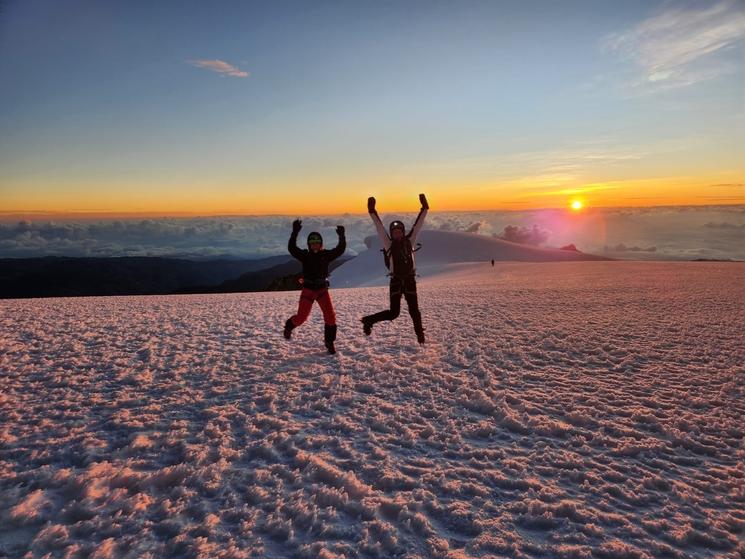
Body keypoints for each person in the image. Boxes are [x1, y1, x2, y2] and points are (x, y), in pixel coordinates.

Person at [361, 194, 428, 344]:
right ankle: (368, 321)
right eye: (394, 232)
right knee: (393, 313)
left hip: (410, 280)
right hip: (396, 281)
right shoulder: (388, 244)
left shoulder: (410, 241)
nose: (397, 234)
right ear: (391, 234)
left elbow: (418, 226)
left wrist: (425, 208)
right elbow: (379, 228)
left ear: (403, 232)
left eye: (399, 232)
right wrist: (372, 211)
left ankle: (420, 336)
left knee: (414, 311)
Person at [283, 220, 346, 354]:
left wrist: (342, 236)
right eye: (312, 243)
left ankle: (329, 342)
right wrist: (294, 233)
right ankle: (289, 326)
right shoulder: (305, 256)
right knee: (301, 318)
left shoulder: (325, 255)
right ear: (309, 244)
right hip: (308, 291)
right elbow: (292, 249)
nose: (315, 245)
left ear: (321, 243)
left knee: (330, 318)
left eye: (317, 242)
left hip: (322, 290)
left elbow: (340, 250)